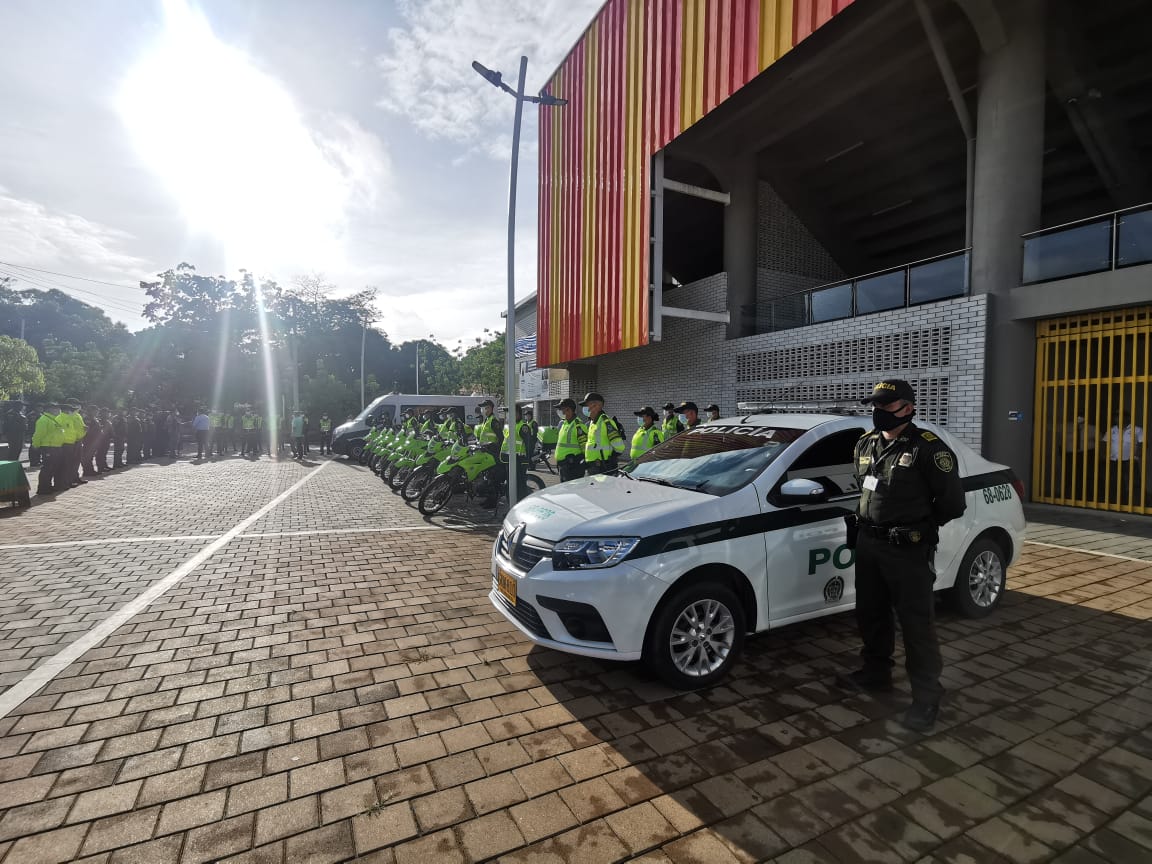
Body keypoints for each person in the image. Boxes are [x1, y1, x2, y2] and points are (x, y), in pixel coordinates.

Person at [847, 379, 966, 732]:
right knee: (870, 613)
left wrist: (918, 527)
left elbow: (952, 504)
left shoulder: (928, 449)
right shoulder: (865, 444)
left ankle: (926, 697)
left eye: (887, 406)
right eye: (876, 406)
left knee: (916, 625)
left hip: (908, 549)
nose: (878, 412)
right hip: (869, 544)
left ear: (908, 408)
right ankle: (876, 672)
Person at [1106, 411, 1145, 506]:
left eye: (1120, 417)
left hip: (1130, 460)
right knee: (1116, 482)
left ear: (1128, 418)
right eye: (1116, 417)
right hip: (1114, 461)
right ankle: (1118, 503)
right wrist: (1105, 456)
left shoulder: (1137, 429)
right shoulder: (1112, 430)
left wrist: (1136, 456)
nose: (1118, 419)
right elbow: (1105, 442)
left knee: (1134, 482)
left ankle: (1135, 504)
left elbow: (1142, 444)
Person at [582, 392, 625, 476]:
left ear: (597, 406)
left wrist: (611, 458)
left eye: (588, 405)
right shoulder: (593, 422)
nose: (586, 408)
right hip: (592, 466)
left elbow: (619, 446)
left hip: (602, 467)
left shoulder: (606, 422)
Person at [502, 405, 534, 504]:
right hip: (509, 460)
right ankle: (511, 508)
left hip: (519, 461)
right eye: (507, 413)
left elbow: (529, 445)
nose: (508, 415)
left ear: (517, 414)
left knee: (519, 488)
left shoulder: (523, 427)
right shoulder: (510, 426)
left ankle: (519, 509)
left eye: (510, 413)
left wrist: (527, 462)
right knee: (510, 486)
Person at [31, 403, 66, 495]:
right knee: (47, 468)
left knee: (53, 468)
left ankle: (48, 486)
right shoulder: (44, 420)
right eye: (57, 409)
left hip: (56, 447)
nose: (59, 411)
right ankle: (43, 488)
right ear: (50, 409)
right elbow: (39, 434)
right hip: (48, 447)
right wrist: (35, 444)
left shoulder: (53, 420)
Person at [554, 398, 587, 482]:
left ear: (568, 410)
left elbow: (585, 448)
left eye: (561, 409)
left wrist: (579, 463)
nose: (560, 412)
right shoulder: (564, 423)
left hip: (572, 467)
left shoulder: (578, 425)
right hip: (563, 465)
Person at [59, 399, 87, 486]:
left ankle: (75, 477)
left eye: (78, 405)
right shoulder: (69, 416)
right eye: (76, 404)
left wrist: (84, 430)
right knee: (70, 462)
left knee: (77, 461)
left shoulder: (78, 415)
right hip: (72, 441)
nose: (78, 407)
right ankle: (69, 479)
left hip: (79, 440)